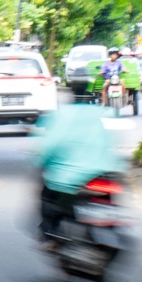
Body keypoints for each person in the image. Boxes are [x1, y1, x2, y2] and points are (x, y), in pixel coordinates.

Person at [33, 103, 120, 242]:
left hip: (66, 179)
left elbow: (50, 145)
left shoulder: (62, 116)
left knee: (47, 196)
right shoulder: (100, 115)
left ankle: (49, 234)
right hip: (102, 173)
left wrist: (40, 160)